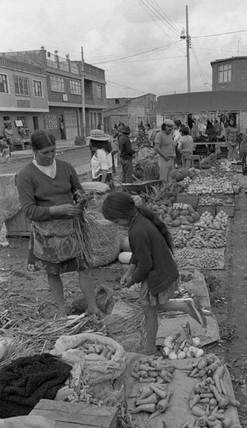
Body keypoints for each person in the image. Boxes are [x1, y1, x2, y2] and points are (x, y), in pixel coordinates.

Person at [102, 192, 206, 354]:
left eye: (116, 221)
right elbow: (138, 253)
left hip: (156, 274)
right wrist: (129, 271)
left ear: (123, 214)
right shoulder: (139, 220)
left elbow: (145, 264)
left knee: (149, 312)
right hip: (162, 270)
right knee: (153, 305)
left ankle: (149, 348)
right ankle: (185, 306)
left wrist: (133, 280)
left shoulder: (138, 230)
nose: (117, 225)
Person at [15, 130, 99, 320]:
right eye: (45, 152)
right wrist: (56, 210)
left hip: (72, 229)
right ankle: (62, 310)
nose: (50, 156)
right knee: (53, 272)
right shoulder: (26, 175)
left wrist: (81, 200)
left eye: (53, 151)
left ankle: (93, 308)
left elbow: (77, 190)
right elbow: (29, 211)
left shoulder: (66, 167)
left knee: (83, 268)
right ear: (34, 151)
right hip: (47, 234)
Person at [154, 119, 175, 184]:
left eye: (171, 127)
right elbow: (156, 147)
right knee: (163, 179)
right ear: (164, 127)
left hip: (171, 159)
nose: (170, 128)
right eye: (168, 127)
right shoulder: (159, 135)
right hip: (163, 159)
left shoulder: (170, 135)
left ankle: (169, 191)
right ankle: (162, 192)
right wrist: (164, 156)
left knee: (169, 178)